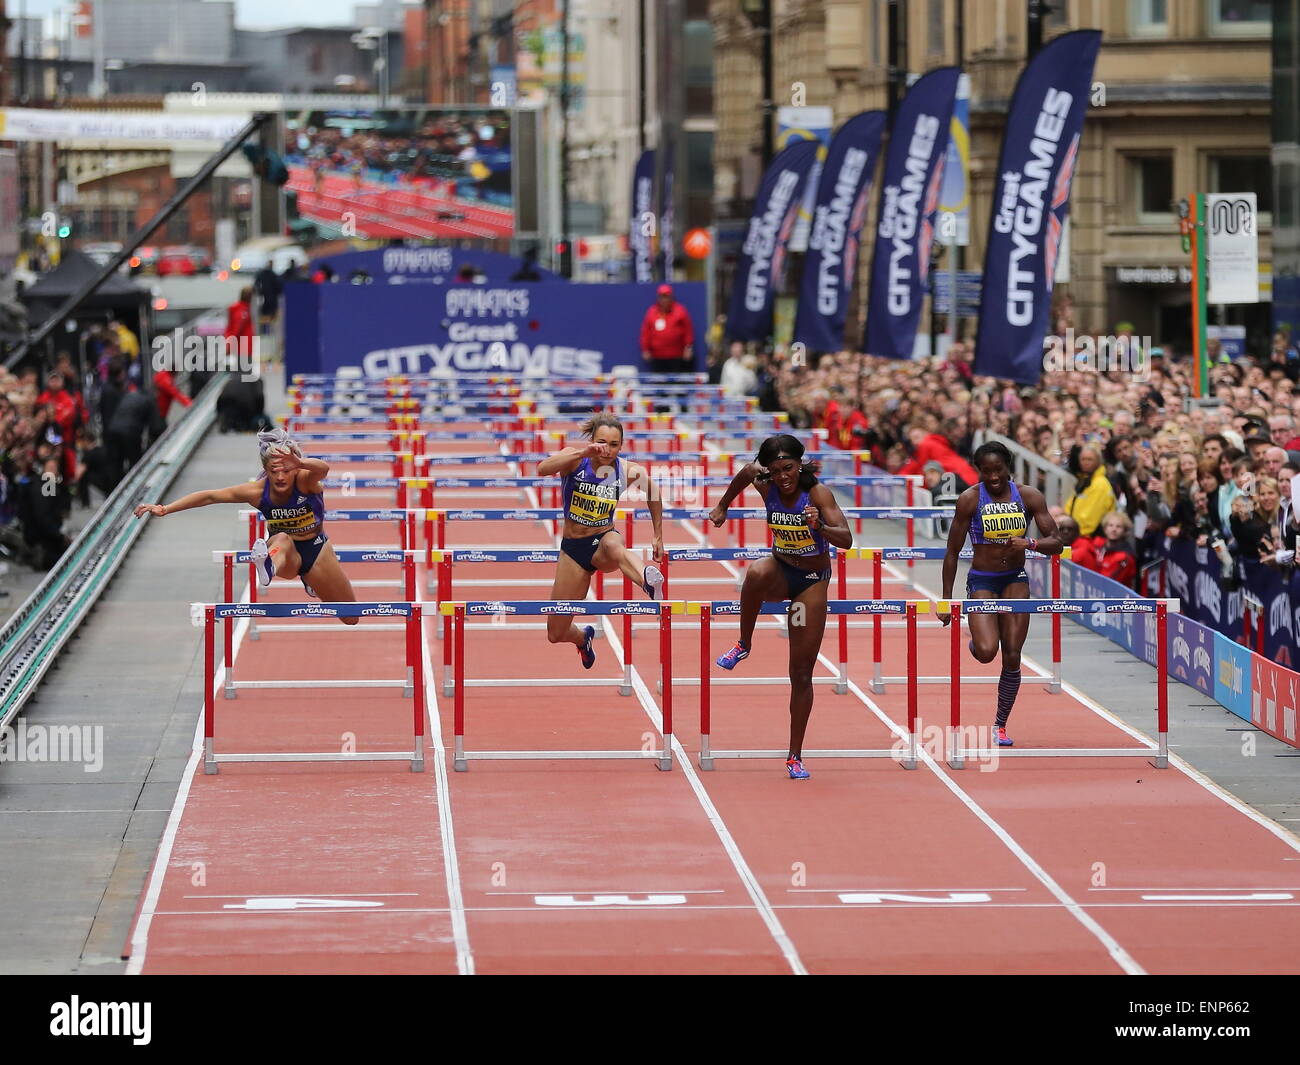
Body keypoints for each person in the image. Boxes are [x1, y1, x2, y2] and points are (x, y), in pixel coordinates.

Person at [708, 433, 853, 779]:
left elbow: (846, 539)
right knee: (756, 571)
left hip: (812, 582)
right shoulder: (765, 484)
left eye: (787, 468)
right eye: (775, 471)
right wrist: (723, 505)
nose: (782, 477)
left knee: (801, 673)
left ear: (799, 463)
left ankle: (794, 755)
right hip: (781, 570)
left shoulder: (817, 493)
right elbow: (745, 472)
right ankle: (744, 644)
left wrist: (820, 526)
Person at [134, 428, 360, 623]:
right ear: (265, 470)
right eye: (274, 472)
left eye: (286, 470)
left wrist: (300, 463)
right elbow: (210, 497)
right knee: (281, 539)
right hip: (284, 552)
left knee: (350, 617)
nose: (280, 477)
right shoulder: (256, 492)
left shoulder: (305, 479)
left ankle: (309, 580)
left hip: (316, 549)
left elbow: (323, 469)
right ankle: (268, 566)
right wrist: (166, 508)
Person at [940, 440, 1063, 748]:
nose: (993, 477)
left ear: (1009, 467)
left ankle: (1000, 725)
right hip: (982, 579)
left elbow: (1056, 542)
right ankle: (980, 634)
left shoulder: (1029, 496)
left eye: (998, 470)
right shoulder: (969, 500)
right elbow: (952, 552)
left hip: (1014, 579)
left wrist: (1029, 544)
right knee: (985, 653)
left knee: (1012, 655)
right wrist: (945, 599)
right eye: (986, 472)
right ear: (978, 471)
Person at [536, 412, 666, 669]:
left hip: (604, 542)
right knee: (556, 633)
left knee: (614, 544)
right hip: (573, 550)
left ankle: (649, 581)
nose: (607, 450)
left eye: (614, 445)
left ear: (622, 445)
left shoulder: (626, 470)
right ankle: (583, 638)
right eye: (602, 443)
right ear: (593, 440)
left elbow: (653, 490)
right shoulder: (574, 459)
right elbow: (542, 469)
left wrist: (657, 535)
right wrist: (583, 453)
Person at [640, 284, 695, 375]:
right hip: (657, 357)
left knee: (676, 385)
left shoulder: (680, 310)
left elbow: (688, 331)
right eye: (662, 297)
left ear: (671, 297)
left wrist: (688, 348)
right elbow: (645, 332)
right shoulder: (651, 312)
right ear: (658, 298)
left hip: (677, 357)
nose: (664, 300)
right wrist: (645, 349)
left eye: (667, 297)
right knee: (659, 384)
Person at [1063, 443, 1116, 537]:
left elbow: (1090, 522)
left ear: (1098, 461)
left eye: (1090, 459)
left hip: (1088, 538)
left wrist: (1073, 535)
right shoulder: (1085, 481)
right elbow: (1069, 507)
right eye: (1083, 459)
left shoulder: (1100, 484)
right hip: (1076, 534)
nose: (1086, 462)